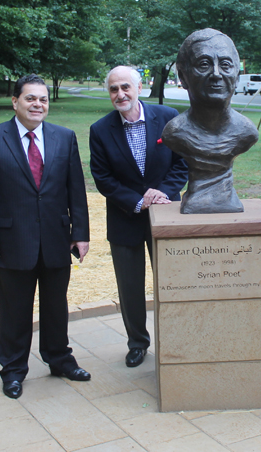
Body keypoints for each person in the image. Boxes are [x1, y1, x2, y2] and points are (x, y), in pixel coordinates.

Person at [0, 74, 91, 399]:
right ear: (15, 102)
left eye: (43, 99)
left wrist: (80, 233)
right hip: (12, 243)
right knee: (14, 311)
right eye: (30, 98)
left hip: (56, 239)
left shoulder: (65, 138)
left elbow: (75, 190)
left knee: (56, 308)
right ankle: (12, 370)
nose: (38, 104)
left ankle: (59, 359)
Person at [90, 66, 187, 367]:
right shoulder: (100, 130)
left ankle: (176, 339)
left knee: (172, 282)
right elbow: (103, 178)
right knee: (130, 288)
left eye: (125, 87)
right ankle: (137, 343)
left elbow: (182, 163)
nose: (120, 94)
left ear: (139, 87)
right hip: (125, 218)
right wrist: (137, 201)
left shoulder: (168, 117)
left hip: (166, 216)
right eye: (113, 89)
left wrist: (160, 194)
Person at [162, 28, 258, 214]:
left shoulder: (247, 132)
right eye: (204, 64)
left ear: (236, 76)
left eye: (225, 65)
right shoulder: (174, 133)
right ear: (183, 77)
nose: (216, 73)